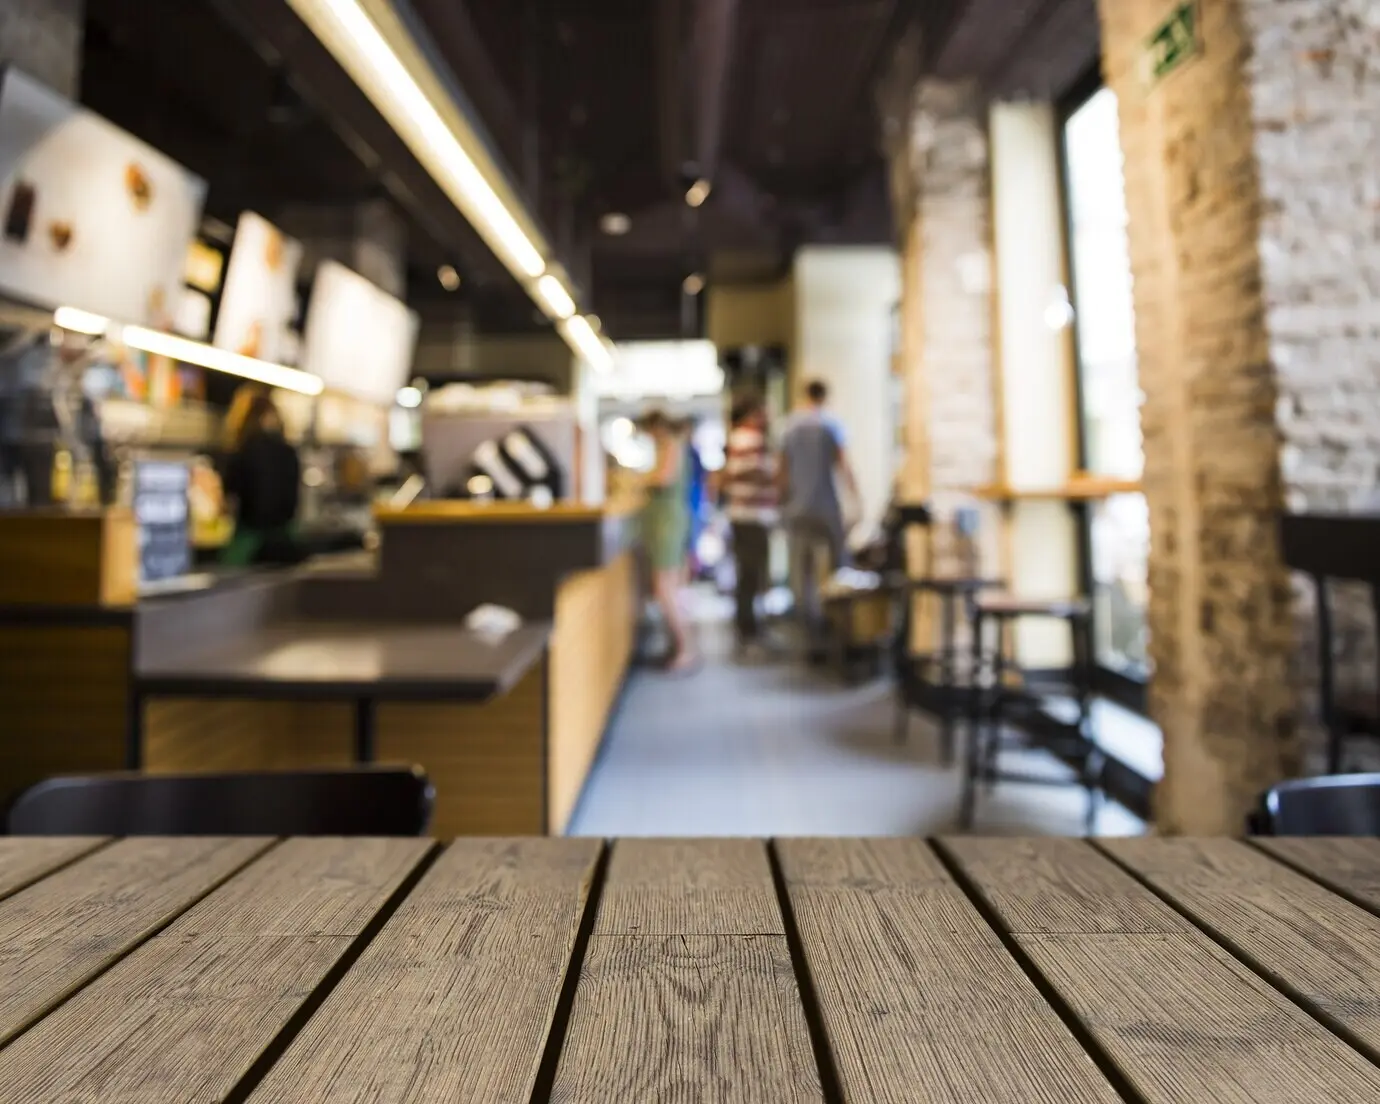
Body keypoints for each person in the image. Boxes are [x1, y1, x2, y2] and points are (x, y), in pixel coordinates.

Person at [778, 379, 859, 656]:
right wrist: (856, 499)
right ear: (825, 397)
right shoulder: (831, 424)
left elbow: (783, 469)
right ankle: (841, 630)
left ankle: (810, 634)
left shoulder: (790, 425)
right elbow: (843, 464)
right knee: (840, 567)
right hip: (826, 506)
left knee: (804, 572)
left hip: (798, 507)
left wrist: (784, 501)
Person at [640, 410, 697, 672]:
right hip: (667, 523)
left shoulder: (671, 445)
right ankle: (678, 646)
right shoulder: (669, 446)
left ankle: (684, 649)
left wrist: (639, 480)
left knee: (665, 590)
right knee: (669, 589)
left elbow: (665, 477)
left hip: (668, 525)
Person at [220, 386, 302, 567]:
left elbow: (228, 499)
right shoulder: (289, 451)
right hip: (285, 543)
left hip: (249, 544)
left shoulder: (242, 451)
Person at [722, 395, 777, 656]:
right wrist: (775, 479)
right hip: (749, 516)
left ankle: (750, 628)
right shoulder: (748, 438)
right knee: (750, 574)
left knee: (751, 574)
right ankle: (748, 631)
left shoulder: (742, 438)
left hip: (749, 516)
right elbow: (746, 473)